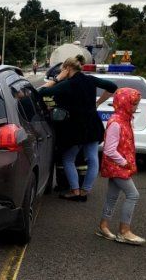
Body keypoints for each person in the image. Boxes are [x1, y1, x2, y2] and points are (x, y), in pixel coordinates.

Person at [39, 55, 118, 201]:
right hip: (93, 124)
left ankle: (74, 191)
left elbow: (41, 92)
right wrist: (98, 103)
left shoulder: (68, 84)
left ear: (68, 68)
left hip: (76, 127)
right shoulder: (90, 79)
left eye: (63, 69)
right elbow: (112, 87)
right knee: (93, 158)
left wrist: (57, 79)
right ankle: (85, 191)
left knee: (68, 158)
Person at [97, 87, 145, 245]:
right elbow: (109, 149)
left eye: (137, 104)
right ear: (124, 103)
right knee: (133, 195)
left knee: (112, 196)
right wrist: (125, 163)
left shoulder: (124, 119)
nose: (136, 107)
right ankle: (124, 231)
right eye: (133, 104)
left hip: (116, 166)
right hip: (117, 166)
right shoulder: (117, 123)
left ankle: (103, 226)